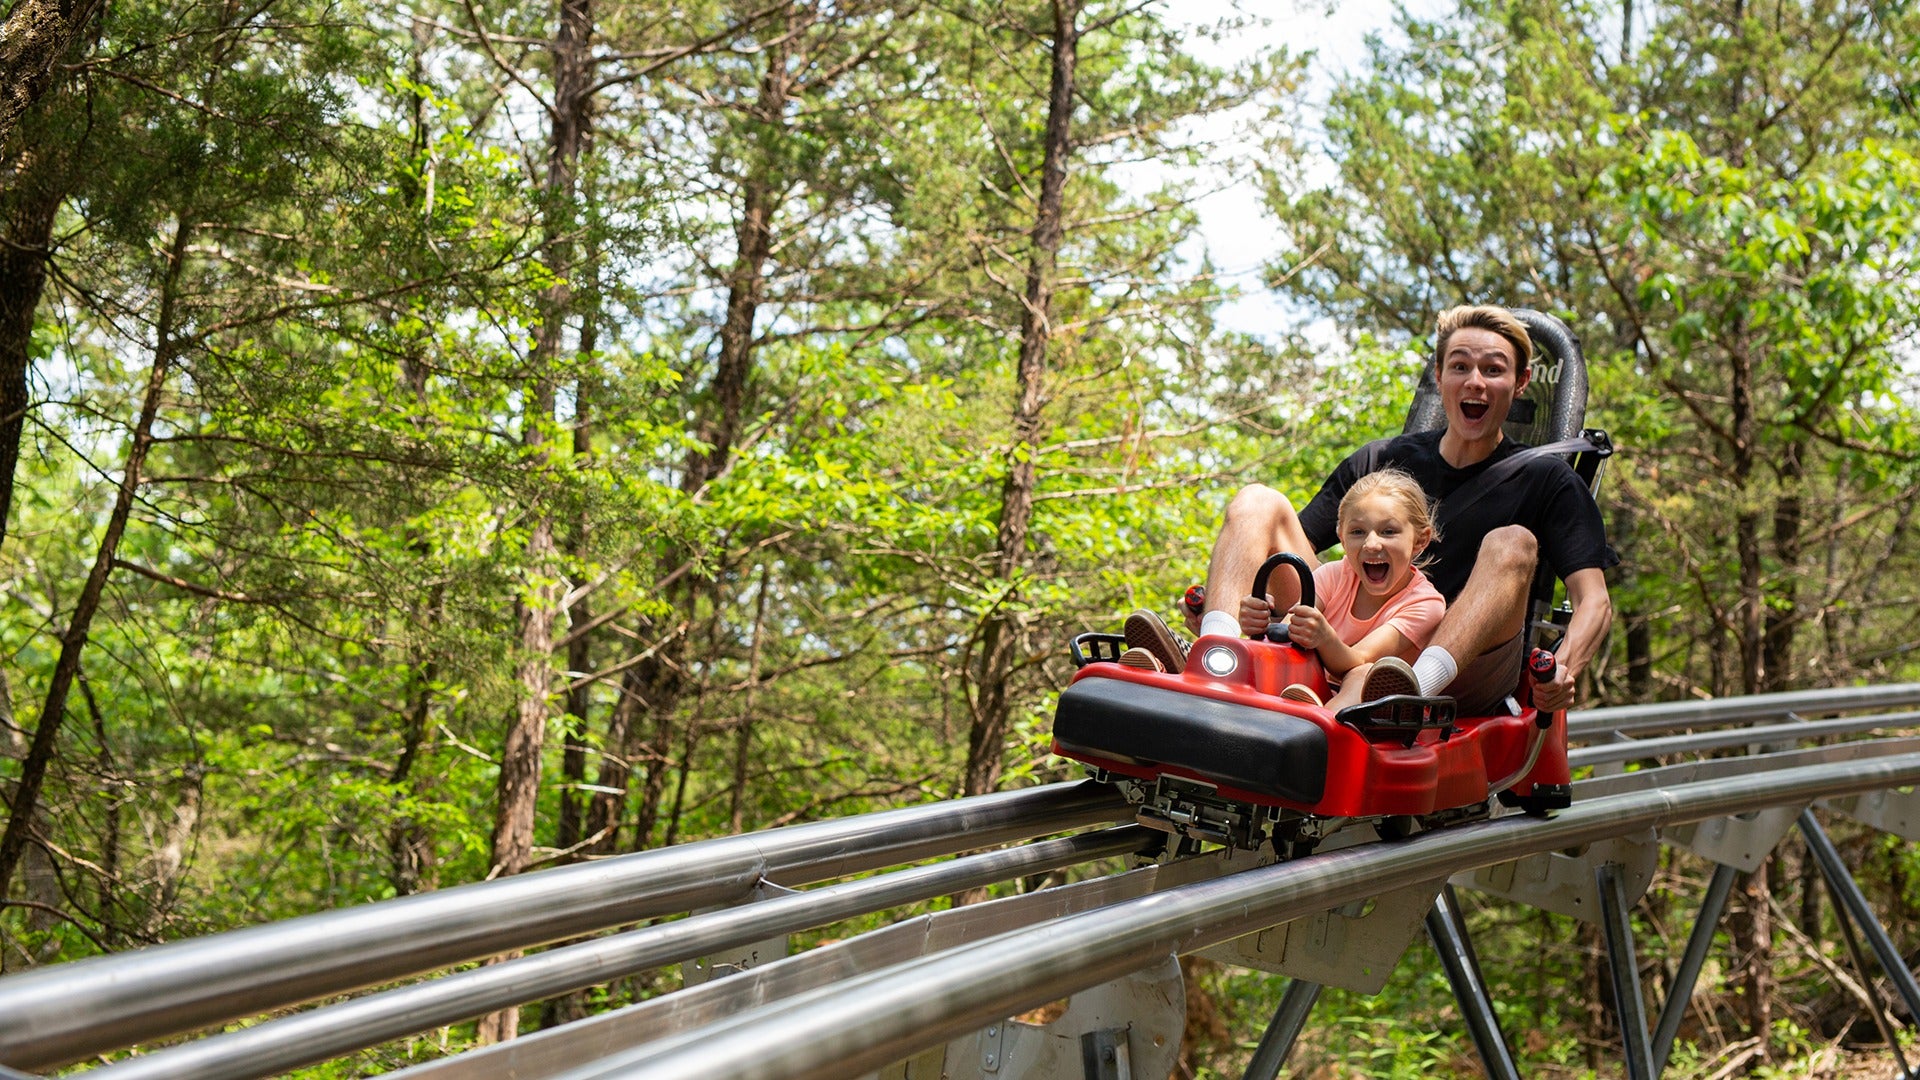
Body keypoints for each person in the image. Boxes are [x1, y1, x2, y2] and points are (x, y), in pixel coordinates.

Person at [1127, 305, 1615, 717]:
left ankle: (1405, 696)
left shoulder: (1548, 478)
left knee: (1513, 541)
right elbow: (1283, 554)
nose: (1476, 382)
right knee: (1257, 501)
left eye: (1493, 369)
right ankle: (1215, 655)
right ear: (1440, 376)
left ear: (1521, 382)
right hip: (1354, 639)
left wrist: (1562, 671)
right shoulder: (1380, 461)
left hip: (1467, 665)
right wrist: (1234, 601)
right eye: (1460, 366)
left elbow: (1594, 601)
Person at [1226, 469, 1446, 710]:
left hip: (1371, 706)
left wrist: (1323, 636)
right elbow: (1288, 633)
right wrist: (1259, 625)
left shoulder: (1425, 604)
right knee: (1281, 657)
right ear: (1342, 537)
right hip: (1314, 687)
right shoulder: (1333, 575)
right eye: (1358, 532)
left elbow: (1357, 659)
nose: (1371, 544)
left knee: (1363, 673)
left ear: (1420, 540)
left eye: (1388, 532)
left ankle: (1319, 725)